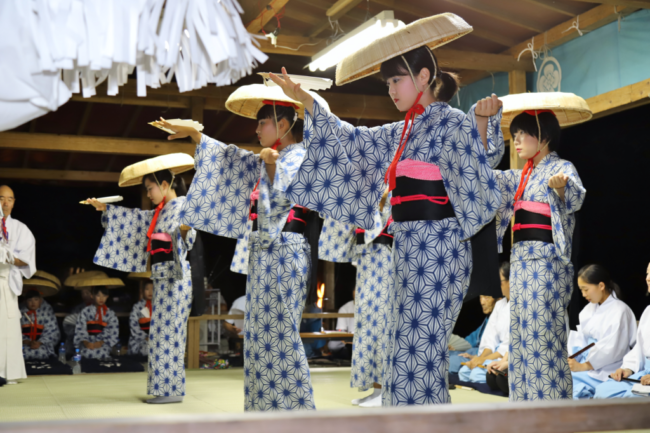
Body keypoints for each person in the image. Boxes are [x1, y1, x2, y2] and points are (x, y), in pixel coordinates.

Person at [269, 14, 504, 406]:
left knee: (422, 354)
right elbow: (351, 140)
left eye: (397, 80)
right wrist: (308, 101)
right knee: (401, 351)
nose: (392, 90)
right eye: (388, 83)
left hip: (441, 250)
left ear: (424, 76)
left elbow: (480, 170)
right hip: (407, 250)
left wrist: (482, 123)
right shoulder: (401, 132)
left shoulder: (451, 122)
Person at [157, 79, 330, 412]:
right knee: (261, 337)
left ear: (282, 123)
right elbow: (228, 158)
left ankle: (299, 412)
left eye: (262, 122)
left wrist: (270, 164)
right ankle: (264, 410)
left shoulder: (302, 156)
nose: (256, 129)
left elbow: (291, 197)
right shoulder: (266, 158)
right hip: (263, 256)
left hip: (286, 250)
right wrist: (196, 136)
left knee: (282, 337)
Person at [493, 92, 592, 401]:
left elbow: (575, 198)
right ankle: (522, 408)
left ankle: (552, 410)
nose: (518, 141)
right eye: (515, 135)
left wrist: (562, 188)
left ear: (544, 136)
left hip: (547, 266)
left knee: (544, 337)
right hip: (521, 264)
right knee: (520, 337)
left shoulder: (561, 167)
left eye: (524, 134)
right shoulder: (520, 177)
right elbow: (488, 185)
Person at [87, 153, 196, 404]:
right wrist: (106, 209)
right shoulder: (160, 212)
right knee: (161, 334)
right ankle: (167, 389)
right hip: (163, 278)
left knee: (169, 334)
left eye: (150, 188)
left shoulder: (182, 206)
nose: (148, 193)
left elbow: (191, 229)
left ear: (165, 185)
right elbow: (135, 218)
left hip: (176, 278)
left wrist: (186, 226)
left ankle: (170, 391)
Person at [569, 264, 636, 399]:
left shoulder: (620, 310)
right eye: (581, 290)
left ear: (601, 286)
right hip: (587, 362)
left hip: (609, 367)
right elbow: (580, 339)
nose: (583, 294)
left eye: (586, 289)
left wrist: (584, 366)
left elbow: (612, 348)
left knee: (568, 385)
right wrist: (573, 356)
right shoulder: (588, 310)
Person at [594, 262, 650, 398]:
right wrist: (627, 369)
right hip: (644, 375)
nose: (647, 278)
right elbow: (639, 350)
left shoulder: (620, 310)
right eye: (648, 273)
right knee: (603, 392)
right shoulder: (648, 311)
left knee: (631, 399)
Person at [1, 185, 36, 384]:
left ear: (14, 202)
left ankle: (10, 374)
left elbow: (28, 260)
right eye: (1, 198)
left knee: (9, 329)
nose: (5, 203)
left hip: (7, 283)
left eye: (10, 199)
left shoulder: (21, 229)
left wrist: (9, 258)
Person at [458, 261, 510, 383]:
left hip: (505, 355)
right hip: (494, 353)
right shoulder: (499, 305)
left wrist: (482, 360)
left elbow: (507, 346)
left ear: (510, 281)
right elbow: (490, 340)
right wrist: (480, 359)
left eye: (500, 282)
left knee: (475, 375)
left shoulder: (519, 306)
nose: (498, 285)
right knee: (464, 372)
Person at [449, 294, 498, 374]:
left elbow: (499, 349)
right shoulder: (488, 319)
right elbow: (471, 340)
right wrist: (455, 347)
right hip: (473, 352)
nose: (482, 302)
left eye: (486, 297)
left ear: (498, 298)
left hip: (487, 356)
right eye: (480, 297)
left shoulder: (503, 319)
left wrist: (480, 357)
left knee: (451, 360)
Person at [20, 273, 61, 360]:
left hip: (42, 345)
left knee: (42, 352)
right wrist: (27, 342)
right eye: (30, 300)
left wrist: (40, 342)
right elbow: (13, 331)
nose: (33, 302)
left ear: (41, 300)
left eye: (36, 299)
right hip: (23, 345)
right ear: (25, 301)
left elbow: (53, 332)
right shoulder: (19, 312)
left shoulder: (46, 312)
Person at [74, 284, 120, 360]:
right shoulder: (85, 311)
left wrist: (100, 342)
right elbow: (80, 329)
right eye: (98, 295)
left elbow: (113, 331)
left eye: (104, 295)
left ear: (107, 296)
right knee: (85, 353)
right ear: (92, 296)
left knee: (102, 353)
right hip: (88, 342)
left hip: (103, 343)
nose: (101, 298)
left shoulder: (110, 313)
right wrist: (86, 343)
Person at [127, 280, 154, 357]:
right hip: (139, 339)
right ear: (142, 291)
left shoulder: (159, 306)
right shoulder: (137, 307)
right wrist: (145, 337)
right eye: (147, 289)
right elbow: (133, 324)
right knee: (145, 349)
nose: (150, 292)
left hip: (155, 338)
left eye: (153, 289)